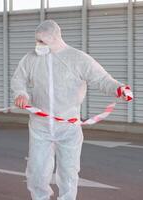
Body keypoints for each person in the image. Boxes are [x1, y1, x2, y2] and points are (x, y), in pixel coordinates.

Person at [10, 19, 133, 200]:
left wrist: (119, 88)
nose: (38, 45)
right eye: (37, 41)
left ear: (54, 39)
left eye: (42, 41)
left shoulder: (77, 58)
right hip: (40, 126)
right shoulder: (31, 59)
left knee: (68, 172)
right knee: (36, 171)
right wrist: (21, 94)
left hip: (68, 126)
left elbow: (101, 79)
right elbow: (18, 78)